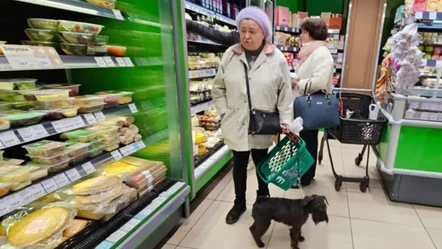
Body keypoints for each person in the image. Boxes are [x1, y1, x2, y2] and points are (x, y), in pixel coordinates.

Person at [212, 6, 292, 225]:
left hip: (262, 123)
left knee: (262, 163)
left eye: (252, 31)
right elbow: (218, 88)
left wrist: (286, 122)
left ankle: (263, 200)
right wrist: (223, 111)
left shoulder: (277, 59)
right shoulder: (230, 55)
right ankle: (239, 203)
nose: (246, 36)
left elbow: (285, 94)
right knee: (239, 165)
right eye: (242, 30)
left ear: (263, 33)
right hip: (236, 122)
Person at [292, 18, 334, 187]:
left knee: (308, 141)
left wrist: (297, 84)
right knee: (306, 140)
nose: (301, 35)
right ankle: (304, 173)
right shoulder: (312, 52)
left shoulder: (321, 53)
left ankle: (305, 177)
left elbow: (319, 83)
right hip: (306, 104)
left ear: (311, 33)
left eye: (303, 32)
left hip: (312, 105)